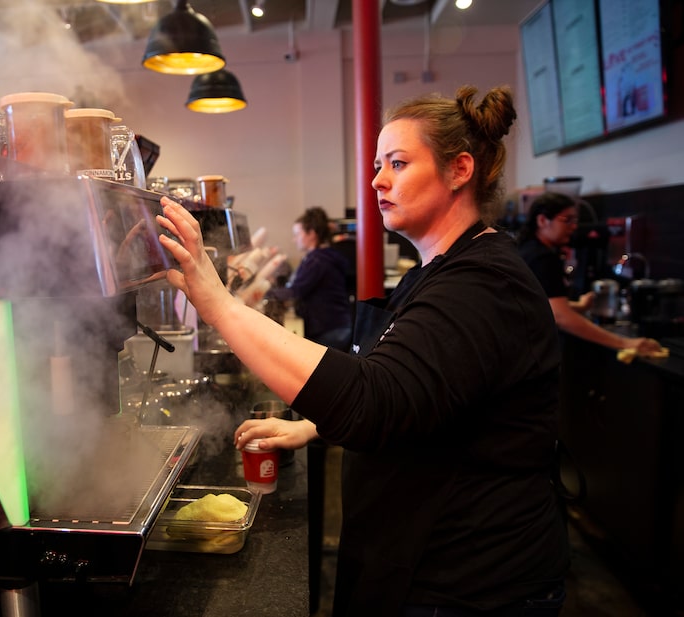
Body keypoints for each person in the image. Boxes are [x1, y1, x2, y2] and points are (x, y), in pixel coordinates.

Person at [156, 85, 570, 616]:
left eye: (397, 163)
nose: (377, 180)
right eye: (378, 165)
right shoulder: (436, 272)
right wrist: (315, 425)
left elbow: (375, 400)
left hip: (470, 581)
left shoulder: (483, 283)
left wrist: (217, 304)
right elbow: (417, 390)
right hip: (422, 558)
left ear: (460, 169)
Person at [518, 191, 662, 355]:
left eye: (575, 220)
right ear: (542, 220)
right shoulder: (542, 258)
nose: (573, 226)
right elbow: (559, 316)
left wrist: (578, 306)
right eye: (567, 220)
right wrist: (624, 343)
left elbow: (538, 304)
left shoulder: (527, 250)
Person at [268, 206, 353, 351]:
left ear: (311, 234)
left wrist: (264, 293)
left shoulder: (317, 260)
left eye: (297, 234)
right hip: (336, 326)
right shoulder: (322, 256)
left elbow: (296, 291)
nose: (295, 240)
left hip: (330, 329)